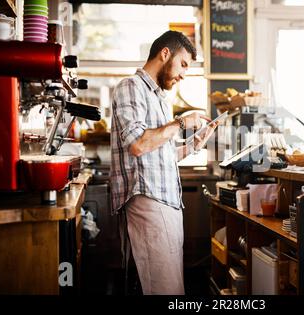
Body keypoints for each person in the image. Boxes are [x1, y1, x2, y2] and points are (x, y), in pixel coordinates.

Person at [110, 31, 218, 295]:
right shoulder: (131, 87)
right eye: (183, 64)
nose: (183, 74)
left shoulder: (159, 98)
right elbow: (137, 144)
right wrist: (181, 123)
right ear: (165, 53)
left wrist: (194, 143)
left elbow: (162, 154)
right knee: (165, 290)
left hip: (166, 202)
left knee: (170, 285)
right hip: (149, 201)